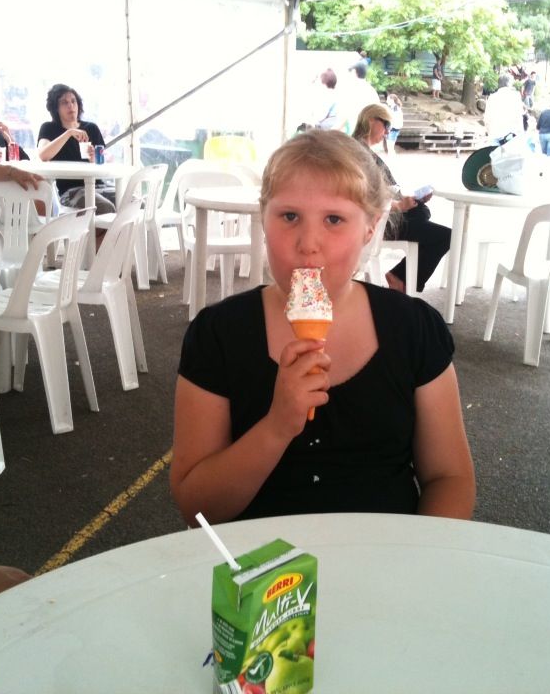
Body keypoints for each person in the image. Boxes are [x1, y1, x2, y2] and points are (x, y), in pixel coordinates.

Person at [170, 129, 475, 525]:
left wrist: (420, 561)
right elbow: (197, 510)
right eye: (289, 216)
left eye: (334, 219)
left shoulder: (413, 329)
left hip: (386, 557)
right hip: (260, 571)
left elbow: (449, 477)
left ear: (370, 227)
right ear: (263, 219)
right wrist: (277, 427)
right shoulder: (217, 335)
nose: (308, 243)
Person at [352, 103, 451, 294]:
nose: (388, 133)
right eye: (387, 126)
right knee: (445, 236)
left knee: (422, 213)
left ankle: (400, 275)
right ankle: (400, 277)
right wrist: (397, 206)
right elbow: (361, 195)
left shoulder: (359, 150)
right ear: (372, 120)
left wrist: (407, 201)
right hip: (378, 220)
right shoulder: (357, 153)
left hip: (383, 215)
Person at [37, 84, 115, 213]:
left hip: (99, 185)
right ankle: (103, 233)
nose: (70, 106)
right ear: (56, 108)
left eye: (73, 101)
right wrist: (69, 133)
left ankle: (116, 234)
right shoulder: (49, 128)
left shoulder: (91, 128)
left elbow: (100, 162)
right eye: (64, 103)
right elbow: (43, 155)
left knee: (135, 203)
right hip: (72, 191)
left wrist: (93, 158)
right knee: (106, 208)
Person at [483, 73, 524, 143]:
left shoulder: (492, 97)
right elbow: (519, 117)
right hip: (511, 135)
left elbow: (487, 119)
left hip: (494, 134)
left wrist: (489, 132)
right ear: (509, 83)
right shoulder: (515, 96)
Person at [341, 60, 380, 133]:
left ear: (355, 73)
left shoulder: (351, 91)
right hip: (367, 133)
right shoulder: (372, 91)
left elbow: (345, 117)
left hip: (353, 133)